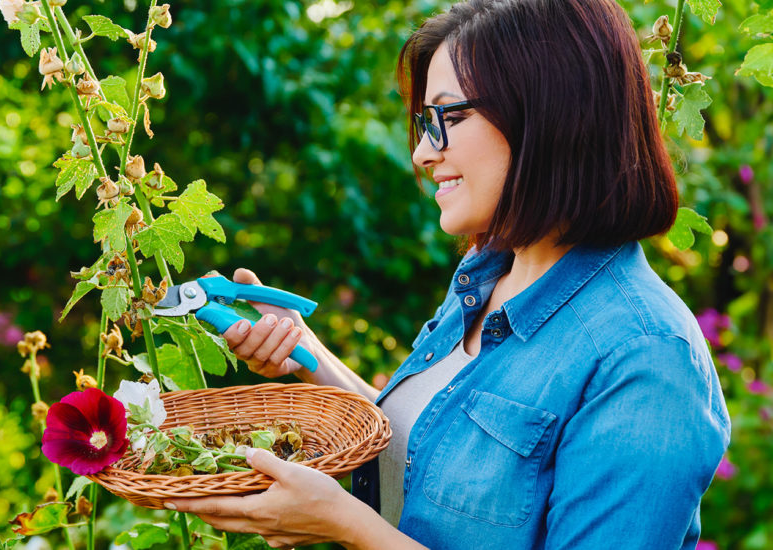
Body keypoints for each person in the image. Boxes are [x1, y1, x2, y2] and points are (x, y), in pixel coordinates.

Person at [163, 0, 732, 548]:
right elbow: (426, 452)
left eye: (451, 117)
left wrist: (347, 526)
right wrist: (307, 353)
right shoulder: (487, 275)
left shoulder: (646, 357)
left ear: (553, 115)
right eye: (424, 123)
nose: (421, 154)